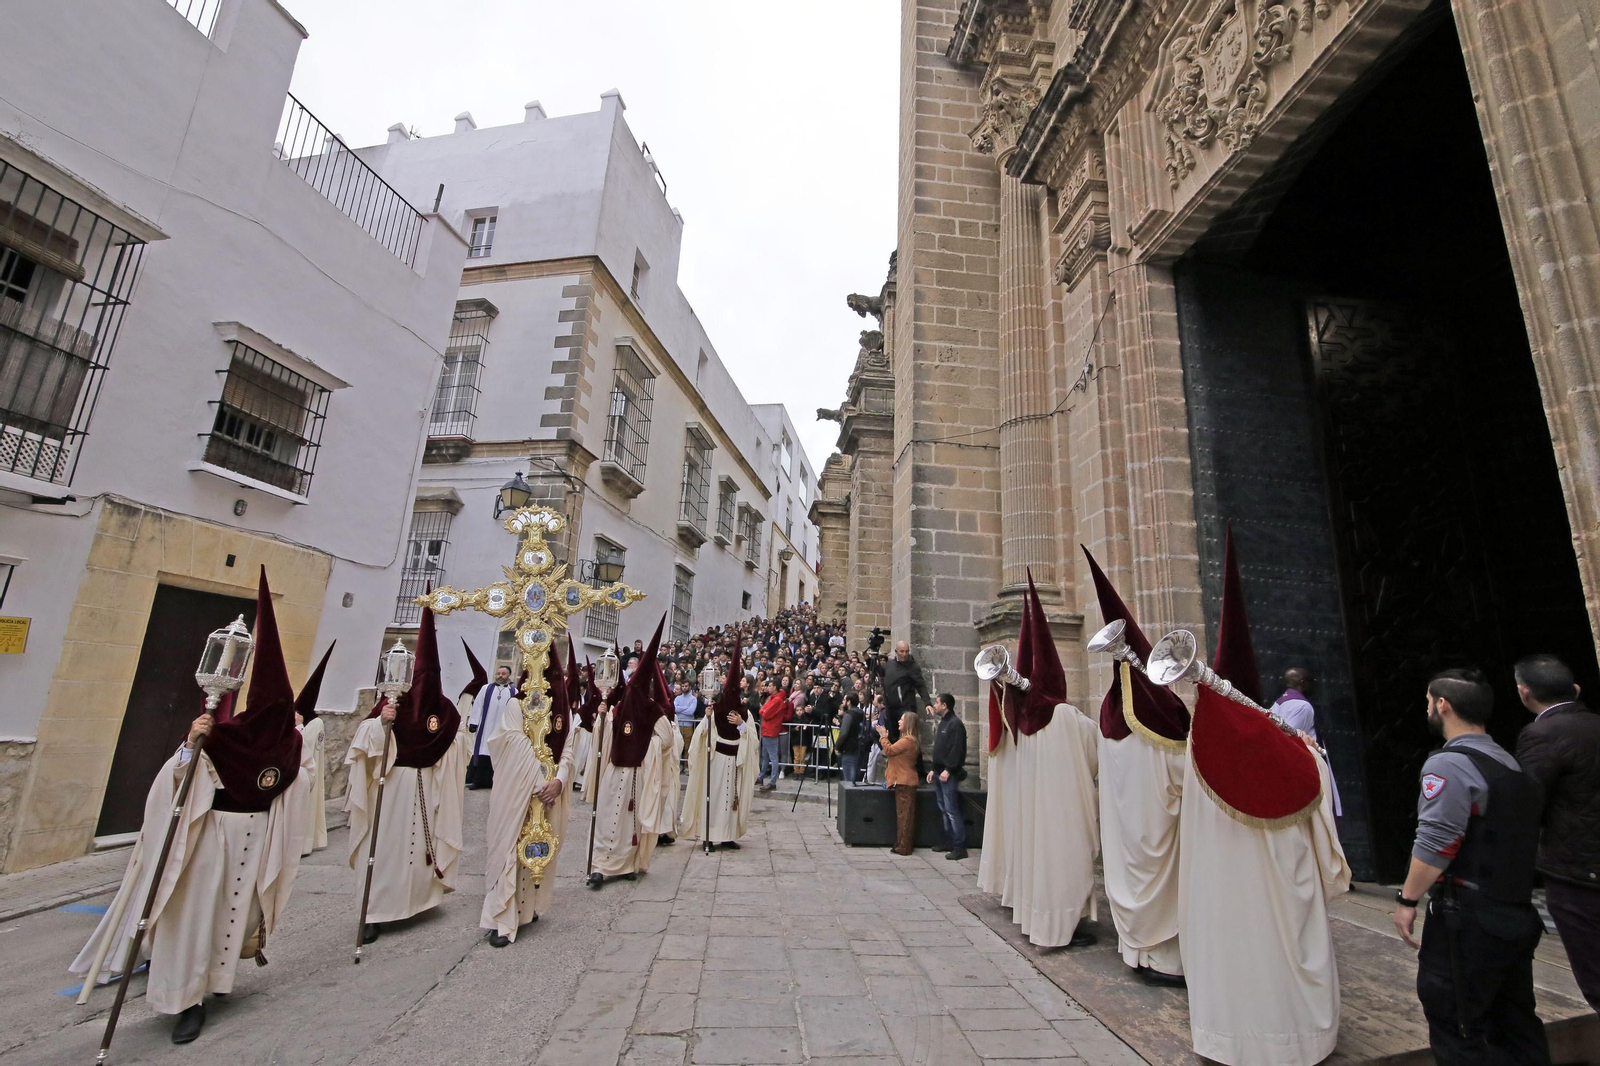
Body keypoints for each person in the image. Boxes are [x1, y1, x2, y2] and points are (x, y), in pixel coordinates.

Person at [70, 569, 312, 1045]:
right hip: (210, 840)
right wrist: (190, 745)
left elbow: (293, 787)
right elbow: (176, 783)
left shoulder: (289, 745)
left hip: (255, 839)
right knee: (195, 917)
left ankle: (216, 983)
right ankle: (185, 999)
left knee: (231, 914)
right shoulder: (222, 739)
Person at [1178, 532, 1350, 1066]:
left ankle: (1228, 1039)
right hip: (1281, 884)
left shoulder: (1196, 751)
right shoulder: (1295, 753)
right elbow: (1321, 829)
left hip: (1221, 892)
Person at [1391, 667, 1550, 1065]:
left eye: (1429, 702)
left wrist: (1406, 899)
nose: (1427, 708)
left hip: (1468, 920)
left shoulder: (1447, 766)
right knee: (1516, 1025)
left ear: (1442, 705)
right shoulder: (1510, 764)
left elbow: (1436, 841)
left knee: (1458, 1024)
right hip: (1513, 912)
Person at [1083, 548, 1189, 986]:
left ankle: (1136, 952)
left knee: (1132, 867)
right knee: (1161, 879)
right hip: (1155, 829)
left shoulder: (1111, 718)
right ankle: (1164, 960)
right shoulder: (1160, 718)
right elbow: (1184, 774)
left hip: (1126, 834)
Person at [977, 574, 1100, 948]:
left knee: (1037, 861)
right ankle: (1059, 926)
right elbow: (1094, 755)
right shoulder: (1063, 717)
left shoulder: (1023, 721)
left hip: (1034, 813)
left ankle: (1037, 919)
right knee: (1064, 864)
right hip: (1060, 813)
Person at [346, 606, 468, 945]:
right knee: (386, 847)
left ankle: (417, 901)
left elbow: (457, 740)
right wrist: (382, 723)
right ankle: (373, 912)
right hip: (393, 784)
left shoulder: (444, 708)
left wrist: (452, 744)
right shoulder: (391, 701)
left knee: (419, 847)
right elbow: (365, 738)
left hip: (427, 783)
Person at [1513, 654, 1600, 1010]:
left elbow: (1527, 803)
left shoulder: (1541, 734)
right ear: (1575, 689)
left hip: (1576, 872)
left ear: (1524, 693)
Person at [481, 642, 581, 945]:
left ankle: (528, 908)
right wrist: (538, 780)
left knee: (536, 850)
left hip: (548, 793)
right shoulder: (516, 704)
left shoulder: (564, 710)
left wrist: (560, 781)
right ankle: (503, 916)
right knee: (510, 847)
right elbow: (507, 743)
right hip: (518, 794)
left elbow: (568, 751)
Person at [583, 618, 682, 889]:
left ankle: (628, 864)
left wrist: (643, 742)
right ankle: (599, 865)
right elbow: (605, 737)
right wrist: (602, 719)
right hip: (616, 769)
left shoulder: (653, 711)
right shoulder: (618, 709)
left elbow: (666, 742)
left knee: (632, 823)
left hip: (640, 772)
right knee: (605, 817)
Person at [677, 640, 759, 849]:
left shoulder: (744, 713)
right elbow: (702, 734)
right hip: (717, 761)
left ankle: (728, 835)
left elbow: (752, 738)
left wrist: (741, 725)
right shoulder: (716, 709)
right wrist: (707, 718)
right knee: (713, 797)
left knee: (731, 799)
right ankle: (708, 836)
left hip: (735, 761)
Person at [1270, 667, 1341, 815]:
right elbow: (1290, 742)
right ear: (1302, 683)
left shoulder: (1277, 704)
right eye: (1311, 682)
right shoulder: (1303, 706)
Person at [293, 642, 335, 856]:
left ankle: (306, 842)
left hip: (308, 772)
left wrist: (299, 727)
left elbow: (308, 747)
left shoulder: (316, 723)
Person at [927, 693, 969, 859]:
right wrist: (933, 768)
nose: (935, 705)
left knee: (951, 810)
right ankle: (948, 840)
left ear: (944, 705)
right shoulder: (944, 723)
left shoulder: (955, 724)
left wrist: (949, 769)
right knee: (944, 809)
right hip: (939, 772)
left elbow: (956, 750)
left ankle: (959, 846)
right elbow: (940, 749)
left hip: (947, 774)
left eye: (937, 702)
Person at [466, 664, 516, 789]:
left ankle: (495, 782)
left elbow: (515, 709)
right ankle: (477, 781)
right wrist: (473, 722)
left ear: (508, 675)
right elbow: (478, 705)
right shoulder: (486, 688)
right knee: (483, 751)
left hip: (502, 729)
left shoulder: (513, 691)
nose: (500, 676)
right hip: (485, 728)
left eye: (503, 674)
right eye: (498, 673)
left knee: (498, 754)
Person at [879, 710, 921, 855]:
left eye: (902, 720)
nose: (899, 721)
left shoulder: (907, 741)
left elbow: (889, 750)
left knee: (904, 816)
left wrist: (883, 736)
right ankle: (902, 844)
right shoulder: (910, 740)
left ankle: (903, 846)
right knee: (905, 815)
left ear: (908, 723)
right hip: (906, 780)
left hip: (905, 781)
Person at [876, 641, 930, 743]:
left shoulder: (912, 667)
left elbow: (920, 685)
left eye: (906, 651)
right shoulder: (889, 665)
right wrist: (869, 660)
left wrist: (927, 702)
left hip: (905, 706)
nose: (904, 654)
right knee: (892, 734)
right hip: (890, 706)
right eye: (902, 651)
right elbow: (880, 671)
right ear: (896, 651)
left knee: (908, 735)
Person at [757, 681, 790, 791]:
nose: (768, 688)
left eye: (770, 686)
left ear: (775, 687)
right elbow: (762, 709)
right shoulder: (772, 698)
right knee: (765, 755)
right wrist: (763, 710)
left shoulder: (776, 700)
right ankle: (761, 777)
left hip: (770, 730)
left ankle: (772, 782)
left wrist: (763, 711)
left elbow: (765, 713)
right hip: (767, 729)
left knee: (772, 756)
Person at [836, 694, 866, 785]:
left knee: (849, 778)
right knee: (856, 777)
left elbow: (844, 732)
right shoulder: (861, 713)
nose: (843, 702)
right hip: (860, 747)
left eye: (845, 700)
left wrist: (837, 746)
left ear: (849, 702)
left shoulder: (849, 715)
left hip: (849, 748)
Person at [674, 680, 699, 751]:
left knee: (687, 748)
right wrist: (685, 707)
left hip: (688, 726)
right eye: (683, 686)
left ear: (690, 687)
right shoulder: (677, 698)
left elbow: (691, 711)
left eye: (686, 686)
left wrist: (680, 708)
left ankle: (686, 762)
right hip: (678, 725)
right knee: (677, 748)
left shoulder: (693, 699)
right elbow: (674, 709)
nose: (684, 688)